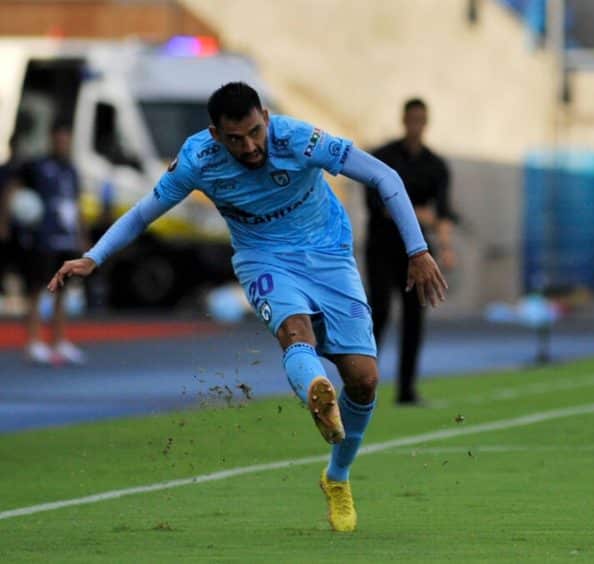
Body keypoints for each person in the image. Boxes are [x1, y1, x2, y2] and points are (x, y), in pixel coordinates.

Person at [48, 82, 448, 532]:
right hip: (264, 258)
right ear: (215, 134)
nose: (251, 146)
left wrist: (418, 250)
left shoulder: (298, 138)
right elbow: (144, 212)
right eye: (236, 139)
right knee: (295, 333)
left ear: (266, 115)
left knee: (365, 379)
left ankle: (336, 476)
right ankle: (316, 388)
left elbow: (384, 177)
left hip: (329, 254)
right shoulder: (198, 159)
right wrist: (93, 257)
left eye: (256, 131)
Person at [365, 98, 456, 406]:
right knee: (379, 313)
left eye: (421, 119)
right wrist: (420, 214)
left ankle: (406, 390)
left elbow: (442, 213)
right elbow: (381, 207)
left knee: (415, 317)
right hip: (382, 247)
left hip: (415, 252)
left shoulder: (436, 165)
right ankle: (363, 384)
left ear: (426, 122)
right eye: (411, 119)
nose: (416, 125)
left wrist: (445, 248)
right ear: (404, 120)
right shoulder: (382, 159)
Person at [15, 120, 88, 365]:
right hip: (43, 238)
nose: (62, 143)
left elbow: (77, 205)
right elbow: (15, 189)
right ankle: (34, 341)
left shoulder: (72, 170)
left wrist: (82, 237)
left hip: (65, 239)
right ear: (52, 139)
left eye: (66, 139)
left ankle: (59, 341)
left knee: (62, 293)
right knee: (36, 289)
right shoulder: (37, 166)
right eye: (58, 139)